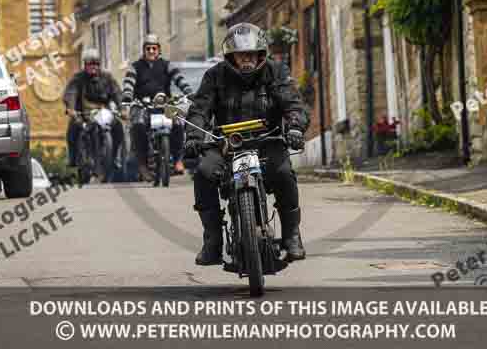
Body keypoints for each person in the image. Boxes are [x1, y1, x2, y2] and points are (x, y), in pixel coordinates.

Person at [184, 22, 309, 266]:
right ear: (231, 57)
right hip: (227, 145)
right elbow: (200, 109)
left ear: (260, 54)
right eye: (241, 56)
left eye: (251, 55)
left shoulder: (275, 72)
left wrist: (294, 127)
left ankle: (292, 235)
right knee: (204, 173)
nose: (247, 61)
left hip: (267, 141)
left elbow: (293, 103)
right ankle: (212, 241)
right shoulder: (214, 76)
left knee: (284, 173)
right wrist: (193, 136)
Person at [121, 34, 193, 180]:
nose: (151, 51)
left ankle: (178, 160)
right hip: (142, 104)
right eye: (148, 48)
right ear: (144, 50)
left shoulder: (167, 65)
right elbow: (129, 82)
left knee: (178, 123)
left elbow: (179, 79)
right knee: (138, 125)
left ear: (159, 50)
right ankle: (142, 165)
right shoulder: (135, 67)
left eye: (154, 48)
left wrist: (188, 92)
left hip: (164, 103)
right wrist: (127, 96)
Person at [63, 47, 123, 169]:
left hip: (103, 112)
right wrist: (71, 108)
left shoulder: (107, 77)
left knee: (118, 127)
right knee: (72, 130)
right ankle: (73, 158)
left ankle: (116, 156)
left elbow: (117, 92)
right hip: (83, 113)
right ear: (85, 65)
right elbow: (71, 93)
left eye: (96, 63)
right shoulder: (78, 78)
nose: (93, 66)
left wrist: (122, 108)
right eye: (90, 64)